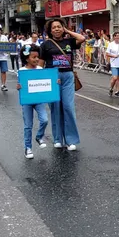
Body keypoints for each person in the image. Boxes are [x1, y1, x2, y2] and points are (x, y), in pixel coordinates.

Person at [39, 18, 85, 150]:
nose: (57, 29)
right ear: (50, 30)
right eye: (54, 27)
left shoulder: (69, 41)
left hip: (68, 77)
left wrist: (67, 31)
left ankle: (71, 140)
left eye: (59, 27)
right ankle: (58, 139)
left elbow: (81, 38)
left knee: (68, 107)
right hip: (52, 78)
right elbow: (40, 66)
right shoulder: (45, 45)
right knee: (55, 108)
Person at [18, 46, 49, 159]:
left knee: (44, 119)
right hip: (27, 101)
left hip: (39, 100)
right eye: (33, 57)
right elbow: (21, 86)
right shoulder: (22, 71)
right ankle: (28, 148)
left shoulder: (40, 69)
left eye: (38, 57)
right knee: (28, 125)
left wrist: (55, 82)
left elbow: (46, 82)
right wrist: (19, 86)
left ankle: (39, 136)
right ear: (27, 59)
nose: (36, 59)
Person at [106, 32, 119, 97]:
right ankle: (111, 88)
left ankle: (117, 91)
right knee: (115, 78)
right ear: (114, 37)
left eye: (118, 36)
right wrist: (114, 56)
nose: (117, 37)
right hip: (114, 63)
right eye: (116, 36)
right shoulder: (111, 44)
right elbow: (107, 54)